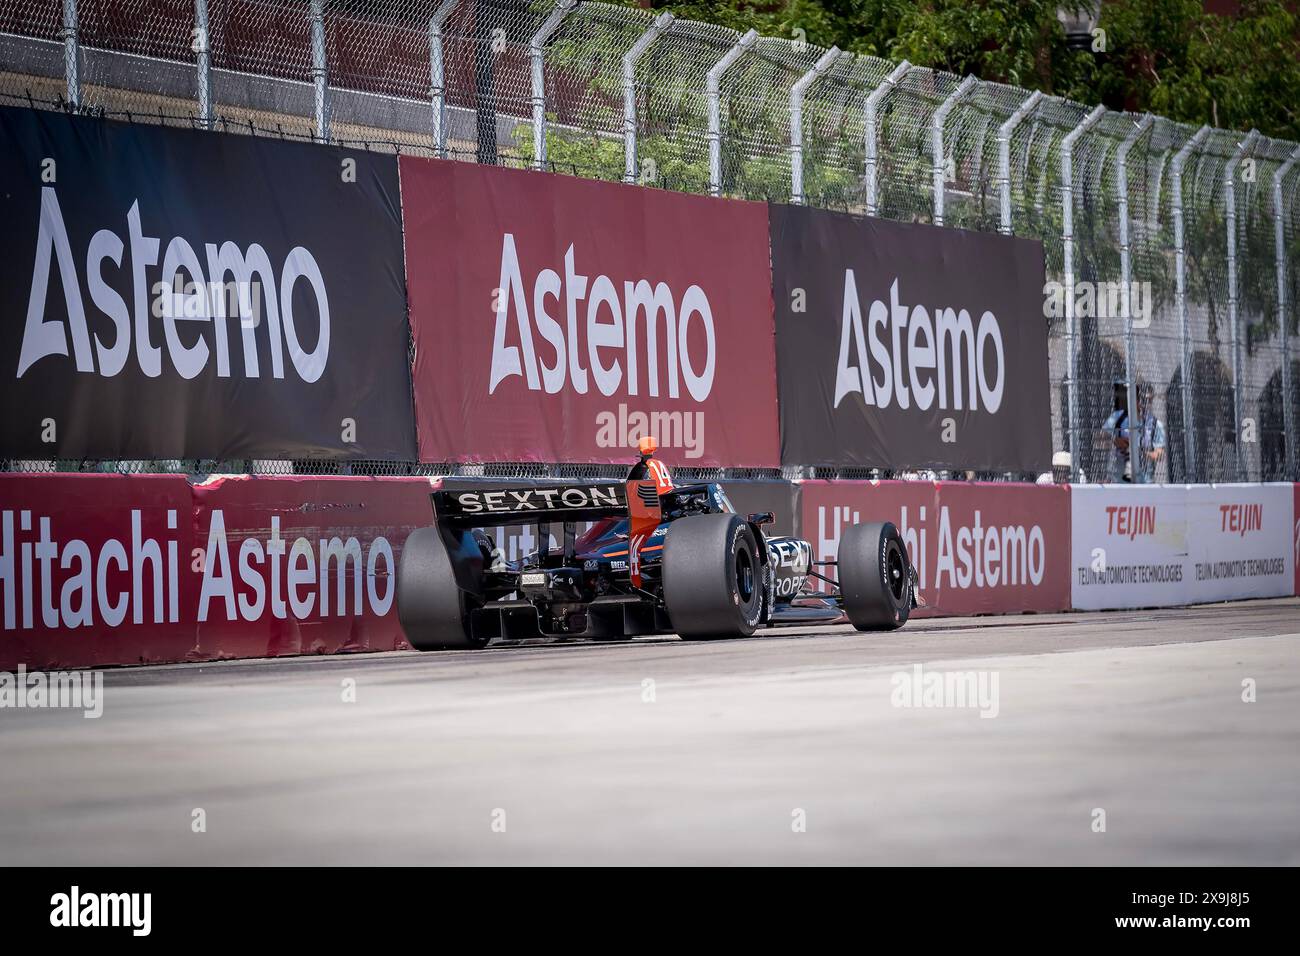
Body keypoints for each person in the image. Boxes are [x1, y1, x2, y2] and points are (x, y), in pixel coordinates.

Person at [1102, 379, 1165, 483]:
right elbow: (1100, 440)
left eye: (1149, 400)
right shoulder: (1118, 417)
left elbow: (1160, 454)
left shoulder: (1156, 424)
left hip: (1145, 482)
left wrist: (1139, 452)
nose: (1145, 404)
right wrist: (1115, 441)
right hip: (1119, 481)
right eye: (1141, 399)